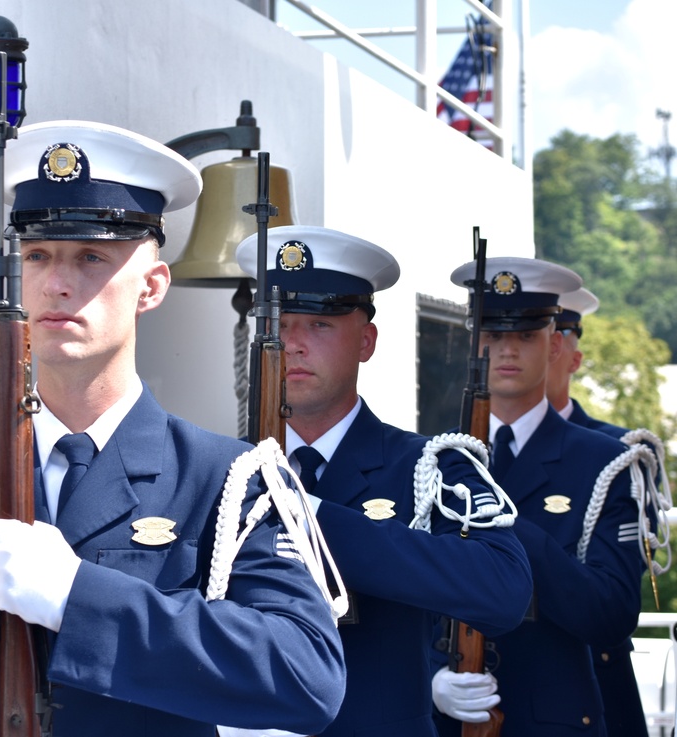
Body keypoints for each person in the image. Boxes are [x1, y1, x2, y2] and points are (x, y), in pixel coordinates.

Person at [0, 121, 345, 737]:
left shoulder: (226, 480)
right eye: (37, 256)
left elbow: (306, 676)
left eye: (92, 257)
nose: (58, 283)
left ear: (152, 286)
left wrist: (77, 597)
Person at [223, 226, 533, 737]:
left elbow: (503, 590)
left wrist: (306, 515)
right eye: (280, 325)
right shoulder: (225, 470)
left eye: (320, 324)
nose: (295, 344)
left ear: (365, 341)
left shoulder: (428, 467)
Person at [432, 257, 646, 737]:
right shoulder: (433, 459)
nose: (506, 350)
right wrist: (431, 676)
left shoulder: (604, 461)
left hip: (555, 719)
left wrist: (505, 523)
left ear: (554, 344)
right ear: (472, 344)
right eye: (492, 336)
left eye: (526, 335)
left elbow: (610, 613)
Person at [548, 286, 649, 737]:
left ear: (572, 355)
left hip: (593, 670)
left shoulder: (621, 452)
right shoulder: (465, 448)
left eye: (554, 334)